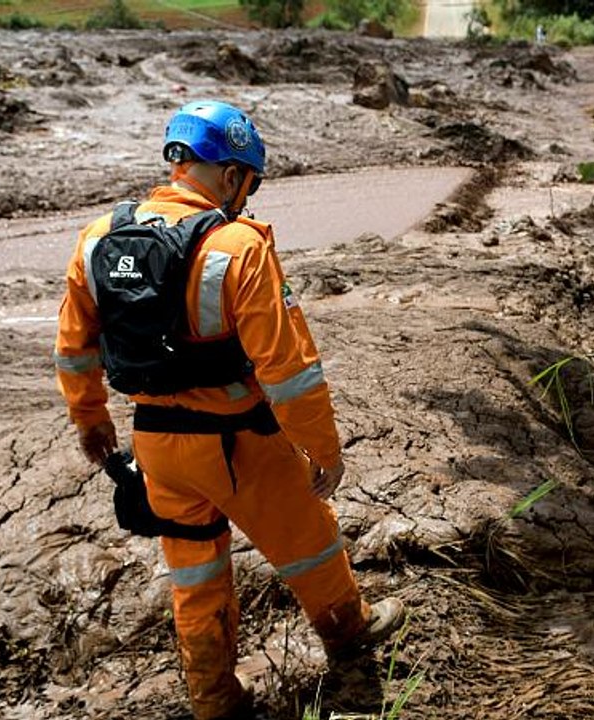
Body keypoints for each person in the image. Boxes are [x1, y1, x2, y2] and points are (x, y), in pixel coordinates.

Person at [53, 100, 405, 720]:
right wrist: (322, 450)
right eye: (249, 182)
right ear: (233, 173)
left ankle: (214, 697)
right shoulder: (237, 246)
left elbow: (74, 348)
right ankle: (348, 629)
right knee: (309, 540)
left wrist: (90, 419)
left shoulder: (97, 238)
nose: (247, 196)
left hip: (157, 444)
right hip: (241, 439)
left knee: (193, 573)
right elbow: (289, 370)